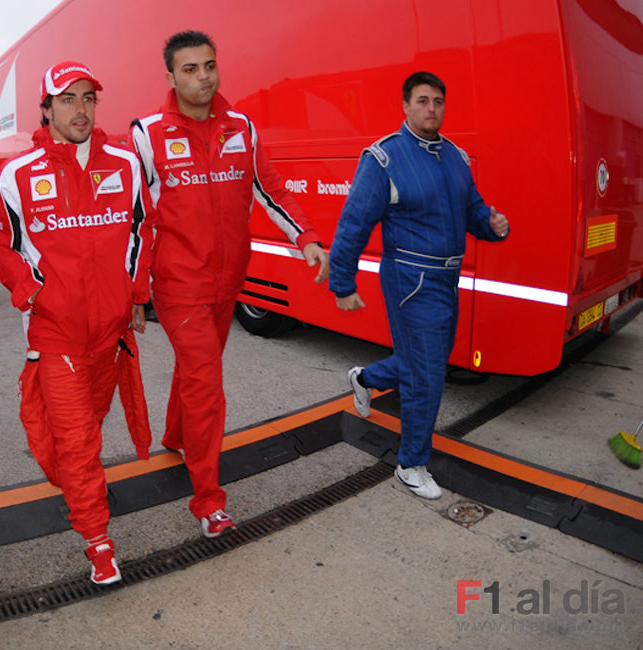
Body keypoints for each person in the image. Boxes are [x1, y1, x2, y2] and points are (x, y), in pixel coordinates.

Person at [131, 31, 328, 538]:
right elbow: (135, 220)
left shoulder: (241, 126)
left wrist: (304, 236)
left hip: (227, 281)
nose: (203, 77)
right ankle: (208, 499)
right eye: (191, 69)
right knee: (206, 384)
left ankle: (177, 437)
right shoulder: (147, 134)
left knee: (199, 372)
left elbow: (270, 188)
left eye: (210, 66)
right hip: (178, 286)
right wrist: (134, 289)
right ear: (170, 76)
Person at [0, 60, 151, 585]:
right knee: (78, 440)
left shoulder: (125, 166)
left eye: (88, 98)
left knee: (87, 431)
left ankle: (80, 487)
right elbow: (4, 245)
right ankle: (97, 538)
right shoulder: (18, 173)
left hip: (110, 334)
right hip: (54, 334)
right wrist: (32, 292)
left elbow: (142, 231)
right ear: (47, 108)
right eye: (68, 99)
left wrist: (135, 294)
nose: (80, 109)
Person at [329, 71, 510, 500]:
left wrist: (491, 225)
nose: (432, 109)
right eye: (423, 101)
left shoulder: (456, 158)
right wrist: (342, 283)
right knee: (426, 375)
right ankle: (411, 464)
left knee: (423, 361)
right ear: (406, 107)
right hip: (410, 278)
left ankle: (367, 378)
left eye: (438, 102)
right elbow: (354, 223)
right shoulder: (384, 159)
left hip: (446, 278)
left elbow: (473, 211)